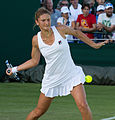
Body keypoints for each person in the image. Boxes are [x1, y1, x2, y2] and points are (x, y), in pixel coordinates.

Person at [6, 7, 108, 120]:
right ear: (37, 22)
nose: (47, 23)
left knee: (83, 105)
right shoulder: (36, 40)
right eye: (43, 20)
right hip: (52, 78)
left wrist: (93, 45)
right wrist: (15, 69)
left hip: (71, 74)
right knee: (38, 112)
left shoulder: (60, 29)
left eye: (48, 20)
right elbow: (34, 61)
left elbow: (77, 33)